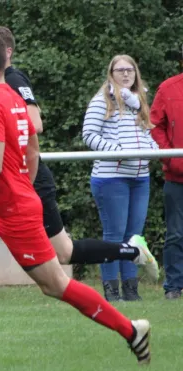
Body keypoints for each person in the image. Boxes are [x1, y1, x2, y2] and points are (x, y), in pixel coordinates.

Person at [0, 26, 158, 345]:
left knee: (60, 269)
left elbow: (31, 131)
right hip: (4, 194)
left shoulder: (9, 87)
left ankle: (130, 304)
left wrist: (5, 182)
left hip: (19, 191)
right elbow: (22, 142)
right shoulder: (3, 92)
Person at [83, 55, 158, 301]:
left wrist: (153, 149)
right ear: (111, 73)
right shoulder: (101, 100)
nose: (126, 74)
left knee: (135, 237)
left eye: (130, 70)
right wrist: (118, 152)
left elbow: (146, 134)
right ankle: (111, 292)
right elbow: (89, 135)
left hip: (140, 178)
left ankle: (131, 291)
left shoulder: (140, 103)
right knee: (114, 236)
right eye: (120, 70)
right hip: (111, 178)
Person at [150, 71, 183, 300]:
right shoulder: (168, 88)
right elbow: (155, 125)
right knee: (176, 234)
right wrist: (170, 158)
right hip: (176, 177)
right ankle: (173, 286)